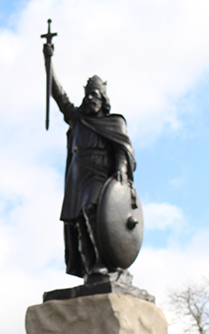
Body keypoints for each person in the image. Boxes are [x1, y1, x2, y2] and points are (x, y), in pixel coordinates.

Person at [44, 44, 136, 279]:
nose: (90, 98)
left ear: (103, 99)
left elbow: (122, 149)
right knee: (78, 223)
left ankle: (105, 260)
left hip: (100, 175)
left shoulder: (114, 122)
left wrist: (120, 170)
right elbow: (57, 93)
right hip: (77, 177)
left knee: (91, 209)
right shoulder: (77, 119)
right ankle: (90, 271)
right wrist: (48, 61)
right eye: (88, 95)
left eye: (95, 95)